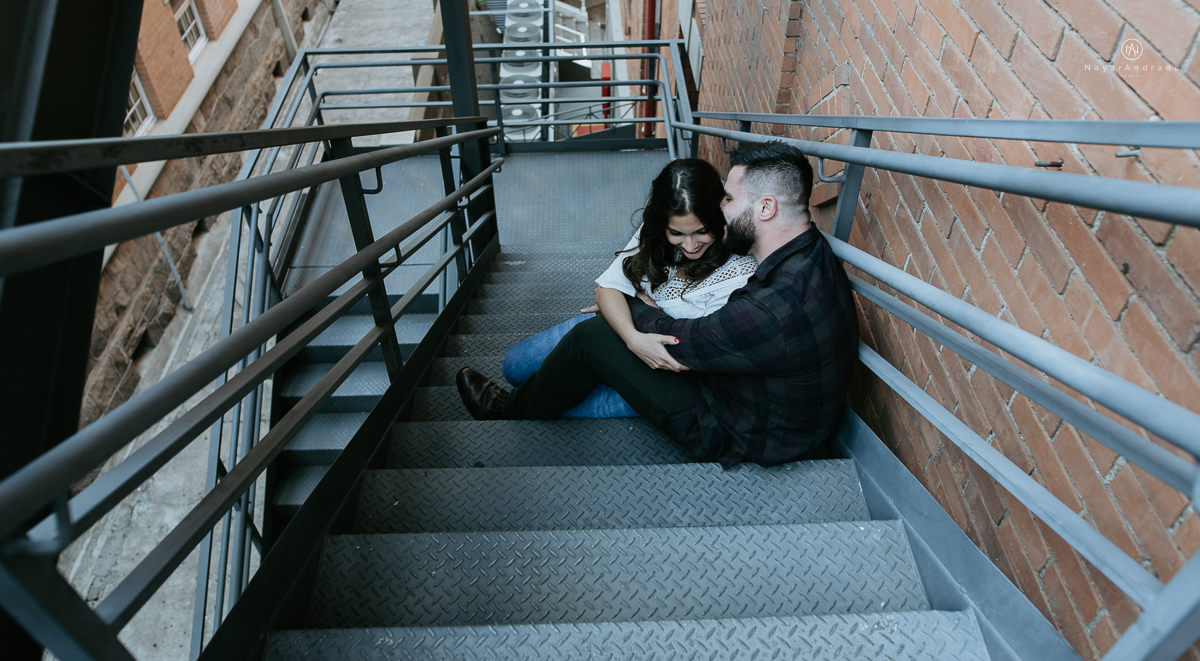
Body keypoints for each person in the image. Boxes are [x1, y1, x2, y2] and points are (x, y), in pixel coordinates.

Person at [457, 141, 859, 466]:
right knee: (539, 359)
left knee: (593, 338)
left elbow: (686, 342)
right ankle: (544, 392)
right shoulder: (809, 252)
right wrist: (631, 308)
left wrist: (630, 306)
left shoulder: (772, 307)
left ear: (767, 208)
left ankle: (506, 409)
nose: (722, 207)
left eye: (730, 200)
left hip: (737, 430)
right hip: (765, 407)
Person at [499, 158, 758, 418]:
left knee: (555, 404)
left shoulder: (739, 272)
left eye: (702, 231)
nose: (690, 245)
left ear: (720, 217)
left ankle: (504, 409)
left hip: (668, 370)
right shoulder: (659, 230)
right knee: (514, 366)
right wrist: (633, 338)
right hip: (624, 332)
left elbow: (691, 350)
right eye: (677, 234)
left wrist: (632, 303)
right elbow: (606, 289)